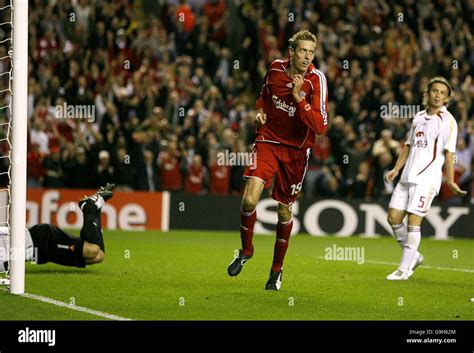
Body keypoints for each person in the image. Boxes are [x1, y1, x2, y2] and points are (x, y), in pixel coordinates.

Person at [227, 30, 328, 290]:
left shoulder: (317, 81)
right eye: (303, 51)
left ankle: (276, 270)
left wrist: (299, 99)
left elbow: (320, 126)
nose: (307, 56)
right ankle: (246, 250)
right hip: (268, 141)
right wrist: (259, 112)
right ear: (292, 52)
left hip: (296, 151)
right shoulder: (274, 69)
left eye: (311, 52)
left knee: (284, 210)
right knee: (249, 200)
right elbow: (262, 97)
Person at [385, 77, 466, 280]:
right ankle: (414, 256)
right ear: (428, 93)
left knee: (413, 221)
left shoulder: (448, 121)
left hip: (427, 179)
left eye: (442, 93)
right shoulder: (418, 117)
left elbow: (449, 153)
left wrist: (450, 179)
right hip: (407, 176)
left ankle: (404, 270)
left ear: (447, 98)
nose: (438, 95)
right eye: (435, 91)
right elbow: (408, 145)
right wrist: (396, 169)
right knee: (393, 218)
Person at [0, 184, 115, 272]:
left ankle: (89, 206)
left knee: (92, 250)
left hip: (42, 239)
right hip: (41, 255)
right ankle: (96, 207)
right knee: (98, 256)